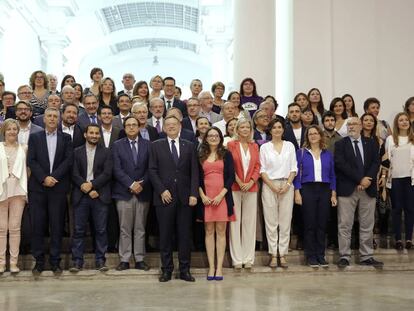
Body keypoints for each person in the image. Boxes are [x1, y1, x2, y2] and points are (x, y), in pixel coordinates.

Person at [149, 115, 199, 282]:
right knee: (165, 235)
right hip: (164, 198)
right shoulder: (156, 146)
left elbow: (194, 172)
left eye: (174, 124)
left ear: (180, 127)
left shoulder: (189, 145)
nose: (171, 127)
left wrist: (193, 193)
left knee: (185, 235)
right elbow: (152, 171)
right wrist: (162, 190)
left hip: (185, 198)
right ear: (163, 128)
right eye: (168, 125)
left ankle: (185, 270)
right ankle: (167, 270)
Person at [28, 107, 73, 275]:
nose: (52, 119)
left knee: (57, 226)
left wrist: (53, 177)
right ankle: (38, 261)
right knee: (37, 226)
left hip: (58, 188)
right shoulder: (34, 138)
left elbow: (69, 161)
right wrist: (44, 178)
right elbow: (31, 160)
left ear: (59, 119)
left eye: (55, 116)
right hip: (38, 189)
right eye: (49, 116)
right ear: (43, 119)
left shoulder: (66, 138)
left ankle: (55, 261)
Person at [334, 117, 383, 267]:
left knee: (367, 224)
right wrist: (359, 179)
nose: (351, 127)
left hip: (368, 189)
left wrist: (367, 180)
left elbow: (376, 162)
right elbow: (341, 164)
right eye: (348, 124)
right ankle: (344, 256)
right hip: (347, 189)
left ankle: (366, 256)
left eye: (354, 124)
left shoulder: (372, 143)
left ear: (361, 126)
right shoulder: (340, 144)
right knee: (345, 224)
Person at [70, 124, 113, 272]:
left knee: (101, 230)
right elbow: (74, 173)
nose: (94, 135)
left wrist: (93, 186)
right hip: (81, 196)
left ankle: (100, 260)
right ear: (85, 135)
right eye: (91, 133)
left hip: (99, 196)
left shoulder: (106, 152)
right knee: (78, 230)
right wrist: (86, 188)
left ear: (99, 136)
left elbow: (107, 174)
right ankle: (77, 261)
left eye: (96, 133)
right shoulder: (76, 152)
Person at [112, 116, 152, 271]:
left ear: (140, 127)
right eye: (128, 125)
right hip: (124, 192)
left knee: (140, 227)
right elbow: (116, 168)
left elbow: (151, 168)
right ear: (124, 128)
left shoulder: (148, 145)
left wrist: (141, 183)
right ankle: (125, 259)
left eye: (134, 125)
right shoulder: (117, 146)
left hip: (143, 191)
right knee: (124, 227)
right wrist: (131, 184)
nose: (131, 128)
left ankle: (140, 258)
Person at [294, 125, 337, 267]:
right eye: (310, 134)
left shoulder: (327, 154)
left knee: (322, 224)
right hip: (308, 189)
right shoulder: (301, 153)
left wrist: (333, 193)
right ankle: (311, 256)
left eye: (315, 133)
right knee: (310, 223)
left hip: (324, 189)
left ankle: (320, 255)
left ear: (320, 135)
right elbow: (296, 175)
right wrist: (297, 192)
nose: (313, 136)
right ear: (307, 137)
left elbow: (332, 175)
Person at [198, 127, 235, 280]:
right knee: (208, 231)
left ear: (220, 138)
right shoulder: (200, 155)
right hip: (206, 197)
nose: (213, 138)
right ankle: (211, 267)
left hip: (222, 197)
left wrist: (221, 195)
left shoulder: (226, 154)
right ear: (205, 138)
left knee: (221, 232)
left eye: (216, 135)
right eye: (210, 135)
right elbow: (196, 178)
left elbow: (231, 176)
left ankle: (219, 267)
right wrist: (202, 196)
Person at [260, 118, 297, 268]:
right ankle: (273, 254)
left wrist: (288, 184)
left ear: (283, 130)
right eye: (274, 127)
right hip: (270, 185)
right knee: (271, 222)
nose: (277, 129)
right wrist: (272, 186)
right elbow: (262, 170)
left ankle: (282, 253)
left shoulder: (289, 146)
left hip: (287, 185)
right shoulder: (264, 147)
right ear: (270, 130)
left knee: (285, 221)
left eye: (279, 127)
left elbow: (293, 168)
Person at [227, 118, 260, 269]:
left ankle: (248, 258)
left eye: (248, 127)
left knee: (249, 223)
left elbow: (258, 166)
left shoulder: (255, 146)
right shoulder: (231, 145)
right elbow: (229, 165)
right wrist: (239, 182)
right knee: (235, 222)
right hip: (235, 186)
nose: (245, 129)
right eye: (242, 127)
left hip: (251, 188)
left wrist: (251, 182)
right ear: (237, 130)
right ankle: (237, 259)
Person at [383, 112, 414, 250]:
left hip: (410, 179)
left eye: (406, 120)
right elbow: (385, 160)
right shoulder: (390, 139)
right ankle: (397, 240)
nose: (404, 122)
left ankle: (408, 239)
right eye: (401, 120)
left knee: (410, 209)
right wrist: (383, 178)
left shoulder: (413, 139)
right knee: (396, 209)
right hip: (394, 179)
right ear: (397, 123)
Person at [0, 119, 28, 274]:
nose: (12, 131)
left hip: (18, 190)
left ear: (18, 131)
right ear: (4, 131)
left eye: (14, 129)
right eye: (9, 129)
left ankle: (13, 263)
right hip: (1, 190)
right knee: (1, 228)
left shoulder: (24, 148)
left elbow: (27, 170)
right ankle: (1, 263)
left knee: (15, 228)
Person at [322, 111, 342, 250]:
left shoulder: (340, 138)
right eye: (327, 120)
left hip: (337, 177)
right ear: (323, 122)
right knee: (324, 211)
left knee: (335, 211)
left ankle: (333, 240)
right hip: (322, 178)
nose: (329, 122)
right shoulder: (318, 136)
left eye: (332, 120)